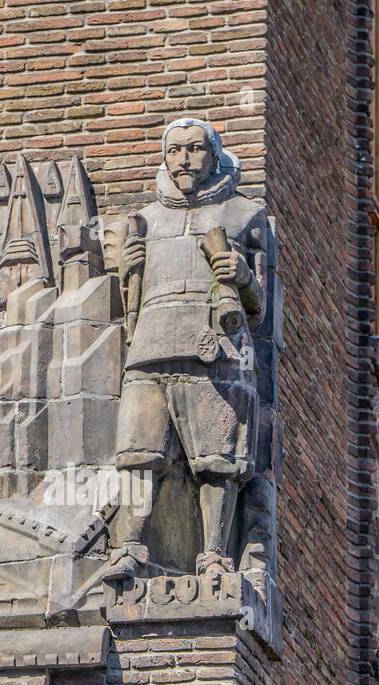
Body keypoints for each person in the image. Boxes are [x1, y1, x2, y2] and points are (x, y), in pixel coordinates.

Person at [105, 117, 270, 579]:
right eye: (175, 150)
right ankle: (130, 545)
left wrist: (240, 276)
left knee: (218, 459)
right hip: (151, 346)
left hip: (213, 346)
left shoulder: (242, 215)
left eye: (195, 149)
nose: (184, 159)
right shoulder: (146, 220)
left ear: (213, 155)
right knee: (138, 452)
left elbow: (260, 304)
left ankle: (215, 553)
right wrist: (127, 274)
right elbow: (131, 305)